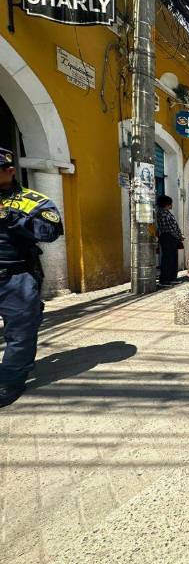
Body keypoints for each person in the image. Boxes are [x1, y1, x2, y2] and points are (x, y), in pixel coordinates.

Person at [0, 147, 63, 407]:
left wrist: (12, 218)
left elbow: (50, 231)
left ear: (9, 170)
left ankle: (9, 382)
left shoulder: (32, 201)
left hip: (15, 278)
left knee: (21, 333)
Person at [155, 195, 183, 286]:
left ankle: (170, 278)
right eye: (171, 203)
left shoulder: (164, 212)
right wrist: (179, 236)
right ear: (167, 204)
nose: (172, 205)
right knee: (169, 259)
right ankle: (165, 279)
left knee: (171, 258)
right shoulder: (164, 214)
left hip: (169, 237)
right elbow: (171, 228)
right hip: (169, 237)